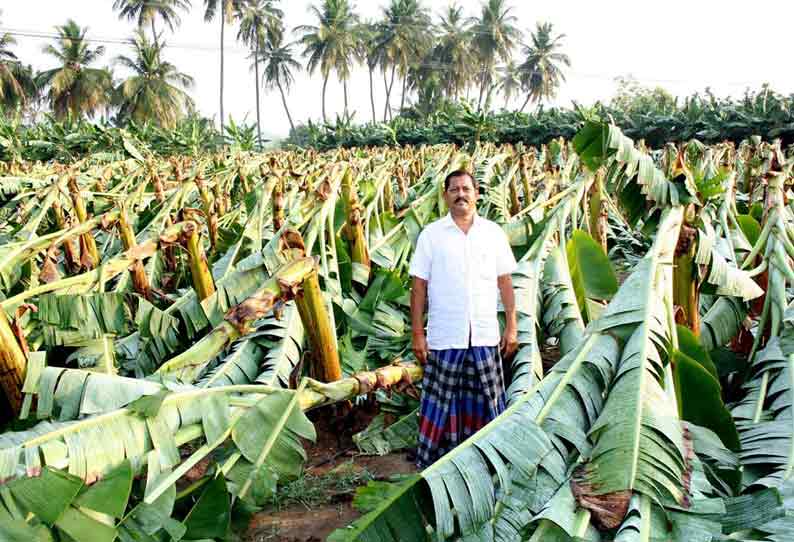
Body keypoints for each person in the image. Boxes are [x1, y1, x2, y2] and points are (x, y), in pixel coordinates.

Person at [408, 169, 518, 469]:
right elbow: (418, 287)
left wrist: (512, 325)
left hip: (484, 334)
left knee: (488, 401)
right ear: (445, 196)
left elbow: (505, 283)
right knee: (442, 405)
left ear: (476, 193)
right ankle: (436, 465)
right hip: (446, 335)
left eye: (466, 189)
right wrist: (417, 333)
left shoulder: (492, 233)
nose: (461, 194)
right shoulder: (431, 236)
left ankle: (488, 463)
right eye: (454, 189)